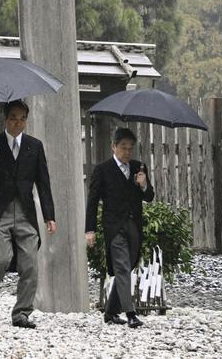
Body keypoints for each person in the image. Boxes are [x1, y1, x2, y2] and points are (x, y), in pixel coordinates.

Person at [0, 99, 56, 329]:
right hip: (0, 213)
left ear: (26, 121)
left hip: (26, 214)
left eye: (22, 119)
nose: (18, 123)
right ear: (5, 119)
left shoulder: (34, 146)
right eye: (13, 118)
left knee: (30, 265)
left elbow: (43, 182)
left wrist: (49, 215)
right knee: (0, 260)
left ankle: (21, 313)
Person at [85, 127, 155, 328]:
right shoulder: (102, 169)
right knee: (122, 267)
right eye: (123, 147)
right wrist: (90, 230)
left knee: (128, 266)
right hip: (114, 227)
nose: (127, 152)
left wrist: (143, 184)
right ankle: (131, 313)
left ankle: (110, 312)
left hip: (134, 225)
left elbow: (149, 197)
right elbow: (92, 201)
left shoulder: (138, 167)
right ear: (113, 146)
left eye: (130, 148)